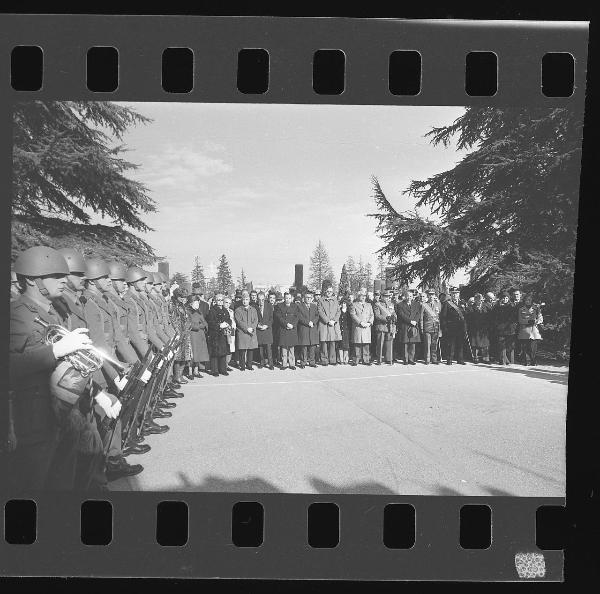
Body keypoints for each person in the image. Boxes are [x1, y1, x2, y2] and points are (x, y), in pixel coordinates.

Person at [8, 246, 93, 491]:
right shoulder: (17, 315)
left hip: (61, 412)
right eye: (56, 276)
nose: (64, 280)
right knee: (34, 489)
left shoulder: (53, 313)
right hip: (33, 421)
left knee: (63, 485)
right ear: (33, 281)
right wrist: (56, 351)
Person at [83, 258, 145, 481]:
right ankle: (110, 462)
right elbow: (99, 343)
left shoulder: (102, 301)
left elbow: (117, 337)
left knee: (112, 417)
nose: (109, 281)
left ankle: (113, 458)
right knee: (104, 420)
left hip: (110, 363)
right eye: (105, 278)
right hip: (100, 368)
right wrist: (116, 373)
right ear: (92, 281)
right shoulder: (89, 305)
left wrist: (132, 364)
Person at [170, 287, 194, 381]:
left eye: (185, 297)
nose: (184, 299)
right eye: (182, 297)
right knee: (178, 356)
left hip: (185, 333)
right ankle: (177, 376)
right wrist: (178, 332)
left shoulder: (183, 306)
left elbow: (187, 318)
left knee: (185, 355)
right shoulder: (173, 306)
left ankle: (180, 375)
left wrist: (189, 325)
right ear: (177, 297)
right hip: (178, 333)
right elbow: (173, 321)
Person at [206, 294, 232, 376]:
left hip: (223, 334)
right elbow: (210, 322)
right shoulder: (212, 310)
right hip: (215, 334)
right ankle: (214, 370)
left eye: (221, 300)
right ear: (215, 301)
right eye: (218, 300)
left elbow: (229, 319)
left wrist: (227, 324)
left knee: (223, 352)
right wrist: (219, 325)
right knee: (215, 353)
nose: (220, 301)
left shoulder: (225, 310)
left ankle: (223, 369)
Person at [317, 280, 341, 366]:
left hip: (333, 324)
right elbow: (320, 311)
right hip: (324, 324)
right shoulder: (320, 300)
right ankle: (324, 360)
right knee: (324, 342)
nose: (329, 293)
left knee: (332, 342)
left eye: (331, 291)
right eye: (328, 291)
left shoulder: (335, 300)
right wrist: (327, 321)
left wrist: (334, 320)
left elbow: (338, 311)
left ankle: (333, 359)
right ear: (325, 291)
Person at [396, 290, 422, 365]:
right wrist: (410, 321)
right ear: (405, 296)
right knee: (405, 344)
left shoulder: (417, 304)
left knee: (412, 344)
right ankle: (405, 359)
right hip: (405, 325)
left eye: (410, 296)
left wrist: (415, 321)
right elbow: (401, 315)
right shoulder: (400, 304)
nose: (409, 298)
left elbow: (418, 314)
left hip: (414, 326)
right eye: (407, 296)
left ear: (412, 297)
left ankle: (411, 359)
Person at [440, 292, 466, 365]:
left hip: (460, 326)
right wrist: (444, 327)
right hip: (451, 327)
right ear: (451, 295)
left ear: (459, 295)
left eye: (456, 294)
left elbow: (464, 316)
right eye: (453, 294)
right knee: (451, 344)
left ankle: (460, 359)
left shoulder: (462, 303)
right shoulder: (447, 303)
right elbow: (443, 316)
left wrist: (465, 327)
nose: (455, 295)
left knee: (460, 344)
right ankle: (449, 359)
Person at [235, 292, 259, 371]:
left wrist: (252, 328)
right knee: (242, 350)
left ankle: (249, 364)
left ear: (249, 300)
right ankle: (242, 365)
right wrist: (246, 328)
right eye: (244, 299)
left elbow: (256, 320)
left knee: (250, 349)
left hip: (251, 332)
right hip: (243, 332)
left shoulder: (253, 309)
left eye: (246, 299)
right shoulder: (238, 310)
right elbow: (239, 321)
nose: (245, 301)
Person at [349, 288, 374, 366]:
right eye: (361, 296)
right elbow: (353, 315)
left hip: (367, 327)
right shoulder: (354, 304)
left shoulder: (369, 305)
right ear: (358, 296)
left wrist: (369, 322)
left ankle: (366, 360)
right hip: (358, 327)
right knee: (357, 343)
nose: (363, 297)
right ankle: (355, 360)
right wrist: (360, 322)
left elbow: (372, 315)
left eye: (364, 296)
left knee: (366, 344)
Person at [517, 294, 543, 366]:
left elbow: (541, 319)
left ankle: (533, 360)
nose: (527, 301)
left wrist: (536, 321)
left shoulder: (536, 308)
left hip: (534, 330)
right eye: (526, 300)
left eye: (529, 300)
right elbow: (520, 320)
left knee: (533, 347)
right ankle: (527, 360)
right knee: (525, 346)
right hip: (524, 330)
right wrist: (528, 321)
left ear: (532, 300)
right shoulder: (521, 309)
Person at [492, 290, 517, 365]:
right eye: (503, 298)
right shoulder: (496, 307)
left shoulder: (512, 306)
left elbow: (513, 318)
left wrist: (509, 325)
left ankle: (509, 360)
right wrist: (497, 325)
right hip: (500, 329)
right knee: (501, 346)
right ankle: (502, 360)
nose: (505, 299)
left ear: (508, 298)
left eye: (506, 298)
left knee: (509, 346)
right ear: (501, 298)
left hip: (509, 329)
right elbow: (494, 318)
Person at [275, 292, 299, 370]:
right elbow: (279, 317)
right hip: (284, 329)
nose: (287, 300)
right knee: (284, 347)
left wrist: (292, 325)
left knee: (291, 347)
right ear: (284, 298)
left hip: (292, 329)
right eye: (286, 298)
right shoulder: (279, 306)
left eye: (289, 298)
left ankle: (292, 364)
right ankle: (284, 364)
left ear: (291, 298)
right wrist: (286, 324)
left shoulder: (295, 306)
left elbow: (297, 317)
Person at [297, 290, 320, 368]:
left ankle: (312, 362)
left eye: (310, 297)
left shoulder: (314, 306)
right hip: (304, 329)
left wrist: (313, 322)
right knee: (304, 347)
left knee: (312, 347)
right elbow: (299, 317)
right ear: (304, 298)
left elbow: (317, 316)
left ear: (312, 298)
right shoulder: (299, 306)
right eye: (307, 297)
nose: (309, 299)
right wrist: (307, 323)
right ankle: (303, 362)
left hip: (312, 329)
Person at [466, 293, 491, 363]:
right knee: (475, 344)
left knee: (485, 345)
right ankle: (475, 358)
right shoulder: (470, 308)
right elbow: (468, 319)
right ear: (475, 300)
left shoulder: (486, 307)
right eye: (478, 300)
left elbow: (489, 317)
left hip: (484, 329)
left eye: (481, 300)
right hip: (475, 328)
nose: (480, 301)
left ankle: (486, 358)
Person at [187, 295, 209, 377]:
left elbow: (205, 322)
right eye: (195, 303)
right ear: (190, 303)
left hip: (200, 335)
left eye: (198, 303)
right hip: (193, 335)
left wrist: (204, 325)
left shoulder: (199, 312)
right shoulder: (188, 312)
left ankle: (196, 370)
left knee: (198, 353)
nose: (197, 305)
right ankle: (189, 372)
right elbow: (189, 324)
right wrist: (199, 326)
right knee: (192, 354)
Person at [373, 290, 396, 365]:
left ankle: (388, 359)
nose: (387, 297)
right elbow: (377, 315)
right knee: (380, 343)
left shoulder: (391, 304)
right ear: (382, 296)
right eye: (385, 296)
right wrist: (386, 319)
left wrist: (395, 317)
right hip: (381, 326)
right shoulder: (378, 304)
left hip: (390, 326)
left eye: (388, 296)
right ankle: (379, 359)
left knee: (389, 343)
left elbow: (394, 313)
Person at [421, 289, 441, 364]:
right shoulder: (424, 305)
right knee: (427, 344)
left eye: (432, 294)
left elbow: (440, 316)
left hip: (435, 327)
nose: (431, 296)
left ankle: (434, 359)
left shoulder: (438, 304)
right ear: (428, 295)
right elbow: (421, 318)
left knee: (434, 344)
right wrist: (422, 328)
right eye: (430, 294)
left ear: (434, 295)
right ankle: (427, 359)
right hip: (427, 327)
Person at [256, 291, 274, 370]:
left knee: (268, 347)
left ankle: (270, 363)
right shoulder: (255, 306)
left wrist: (266, 325)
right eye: (259, 299)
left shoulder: (269, 306)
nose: (261, 301)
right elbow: (254, 319)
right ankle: (262, 362)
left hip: (267, 329)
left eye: (262, 299)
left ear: (265, 299)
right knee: (261, 347)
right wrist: (258, 325)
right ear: (257, 299)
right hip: (259, 329)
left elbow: (271, 318)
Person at [337, 299, 351, 364]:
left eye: (345, 303)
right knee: (340, 345)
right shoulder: (338, 311)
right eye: (342, 303)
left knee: (346, 345)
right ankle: (341, 359)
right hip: (339, 330)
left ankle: (346, 359)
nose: (343, 304)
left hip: (347, 331)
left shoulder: (349, 312)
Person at [223, 296, 236, 368]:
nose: (228, 304)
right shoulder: (221, 310)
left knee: (231, 348)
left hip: (232, 331)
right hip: (225, 332)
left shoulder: (232, 311)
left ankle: (227, 364)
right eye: (226, 302)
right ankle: (224, 364)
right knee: (225, 348)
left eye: (229, 303)